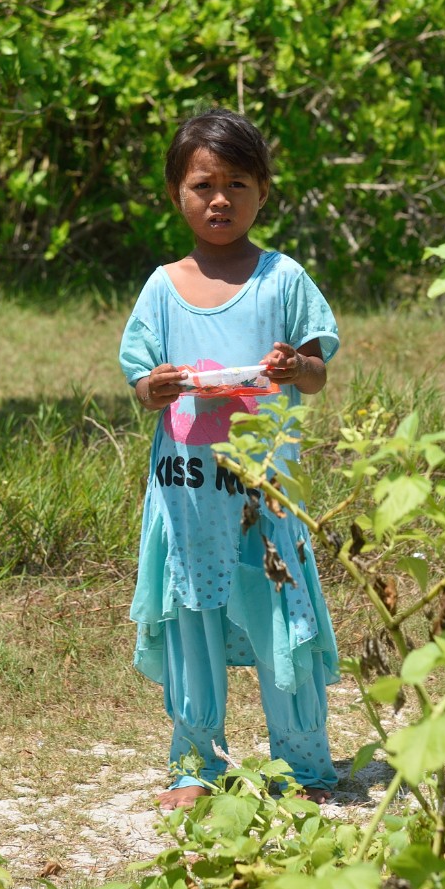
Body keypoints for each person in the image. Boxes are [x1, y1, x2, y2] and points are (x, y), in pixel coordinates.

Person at [119, 108, 341, 811]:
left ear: (263, 192)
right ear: (176, 195)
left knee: (282, 608)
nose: (220, 200)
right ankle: (195, 764)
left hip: (262, 492)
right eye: (203, 185)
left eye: (237, 184)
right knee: (191, 617)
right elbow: (141, 383)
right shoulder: (160, 287)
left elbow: (316, 372)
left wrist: (293, 364)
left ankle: (302, 764)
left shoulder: (282, 280)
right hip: (186, 494)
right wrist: (153, 388)